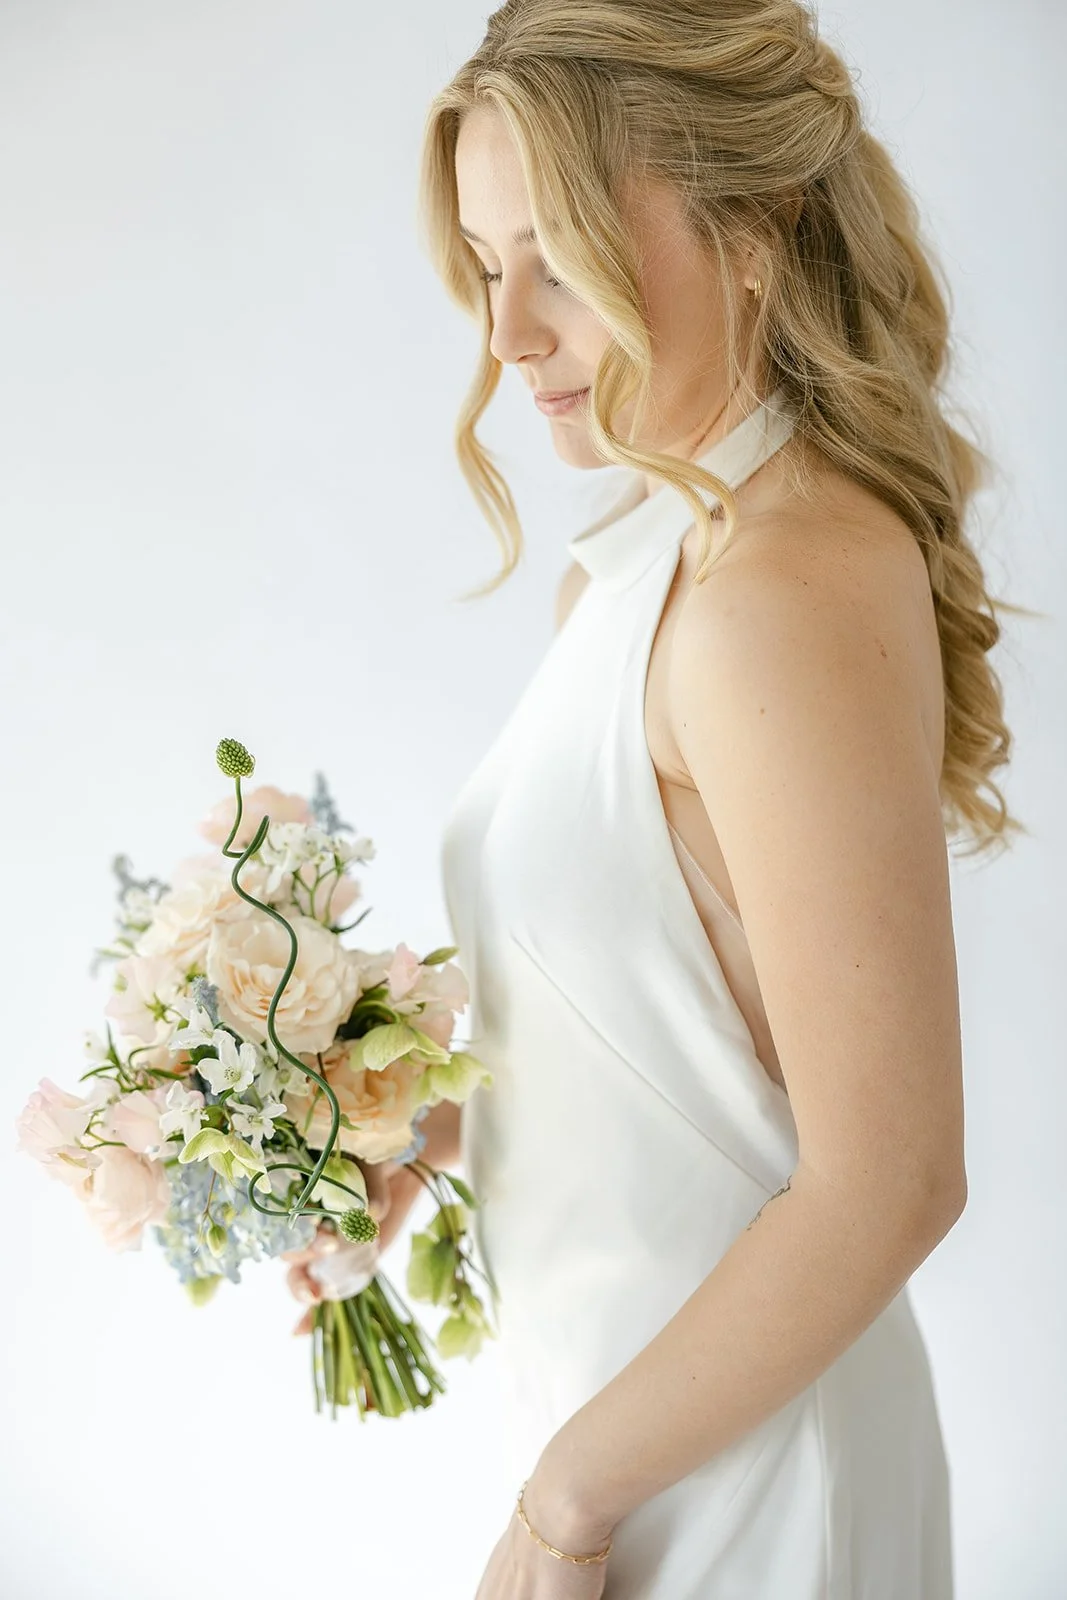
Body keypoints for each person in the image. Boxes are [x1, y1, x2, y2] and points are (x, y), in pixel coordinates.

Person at [330, 2, 1034, 1593]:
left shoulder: (775, 588)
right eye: (485, 261)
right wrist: (403, 1123)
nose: (507, 336)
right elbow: (676, 1045)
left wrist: (561, 1506)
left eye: (559, 256)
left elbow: (890, 1176)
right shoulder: (648, 561)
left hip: (740, 1480)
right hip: (645, 1440)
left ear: (754, 227)